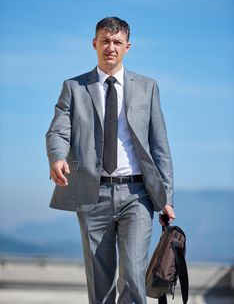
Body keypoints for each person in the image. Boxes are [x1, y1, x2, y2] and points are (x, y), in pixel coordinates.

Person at [46, 17, 175, 304]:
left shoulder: (147, 87)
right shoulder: (74, 87)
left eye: (117, 42)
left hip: (138, 195)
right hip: (92, 194)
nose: (110, 47)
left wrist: (166, 197)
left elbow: (160, 147)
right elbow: (57, 131)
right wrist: (56, 158)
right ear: (94, 43)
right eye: (105, 41)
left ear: (128, 47)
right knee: (100, 283)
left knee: (132, 277)